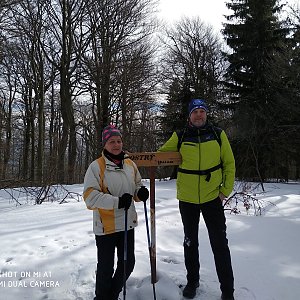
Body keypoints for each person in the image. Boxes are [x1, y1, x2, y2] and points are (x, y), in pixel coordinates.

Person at [158, 99, 235, 300]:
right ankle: (192, 282)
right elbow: (160, 156)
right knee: (190, 242)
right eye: (195, 112)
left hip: (212, 197)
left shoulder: (218, 134)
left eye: (202, 111)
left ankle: (227, 290)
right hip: (188, 199)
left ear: (206, 114)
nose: (199, 115)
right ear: (189, 116)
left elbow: (229, 163)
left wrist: (224, 191)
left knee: (219, 244)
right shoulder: (180, 135)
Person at [83, 124, 149, 300]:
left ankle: (112, 295)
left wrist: (140, 193)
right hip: (106, 226)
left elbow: (137, 185)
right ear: (104, 144)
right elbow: (90, 197)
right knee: (106, 268)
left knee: (128, 263)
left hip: (127, 223)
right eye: (111, 141)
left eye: (118, 141)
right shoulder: (96, 167)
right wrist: (117, 202)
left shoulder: (130, 164)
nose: (116, 144)